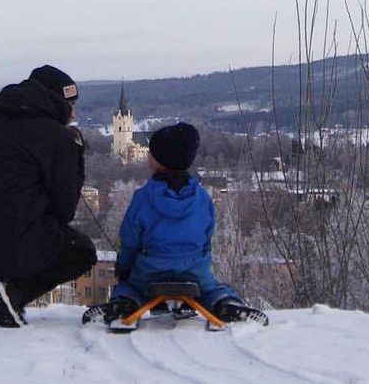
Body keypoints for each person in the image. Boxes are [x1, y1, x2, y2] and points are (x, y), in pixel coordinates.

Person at [0, 65, 97, 328]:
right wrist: (75, 156)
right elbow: (64, 211)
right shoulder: (57, 139)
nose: (74, 112)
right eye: (71, 104)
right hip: (10, 243)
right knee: (81, 251)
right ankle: (13, 296)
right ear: (58, 102)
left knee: (9, 227)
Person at [87, 122, 261, 325]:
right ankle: (226, 304)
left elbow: (130, 240)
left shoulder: (143, 198)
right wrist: (199, 260)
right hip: (194, 272)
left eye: (151, 152)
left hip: (150, 272)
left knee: (129, 287)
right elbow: (206, 238)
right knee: (213, 288)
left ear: (157, 160)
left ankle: (124, 304)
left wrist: (124, 268)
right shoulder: (203, 198)